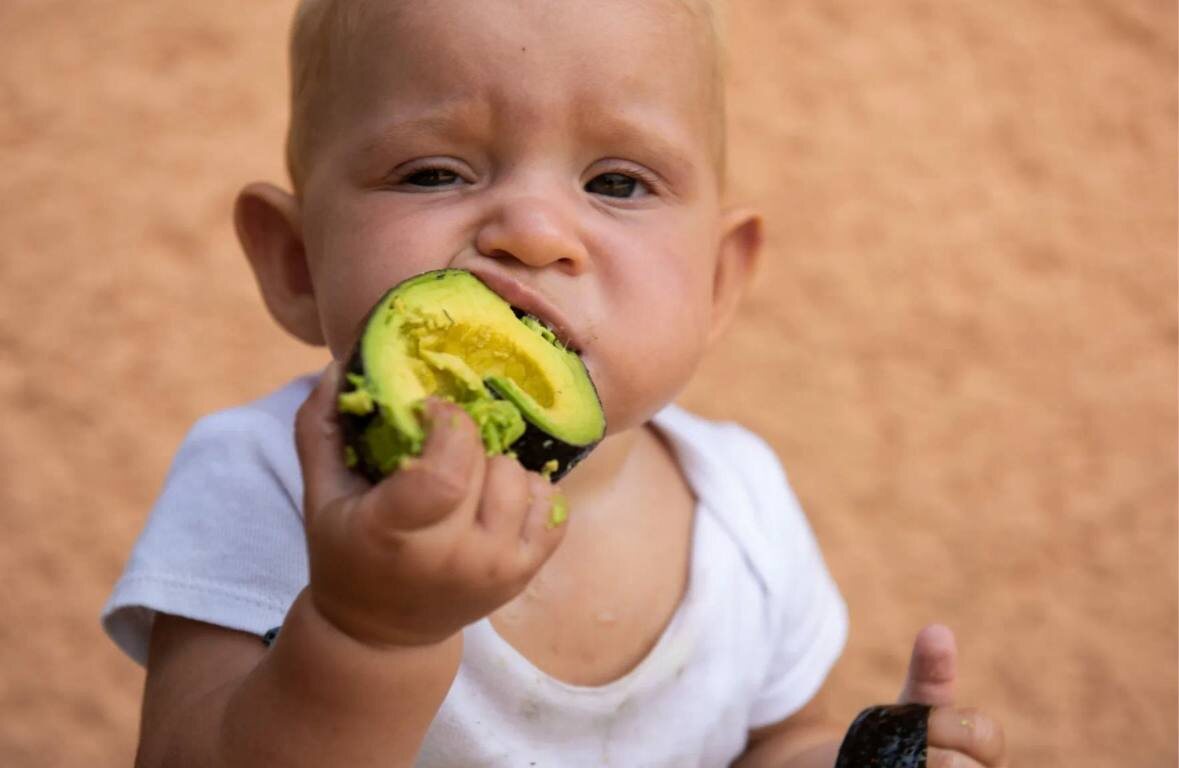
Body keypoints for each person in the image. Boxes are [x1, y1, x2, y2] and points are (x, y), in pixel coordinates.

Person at [102, 1, 1008, 765]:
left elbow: (771, 742)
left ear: (718, 282)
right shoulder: (262, 478)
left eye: (617, 181)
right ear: (296, 263)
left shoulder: (745, 507)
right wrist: (367, 633)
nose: (532, 231)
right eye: (431, 172)